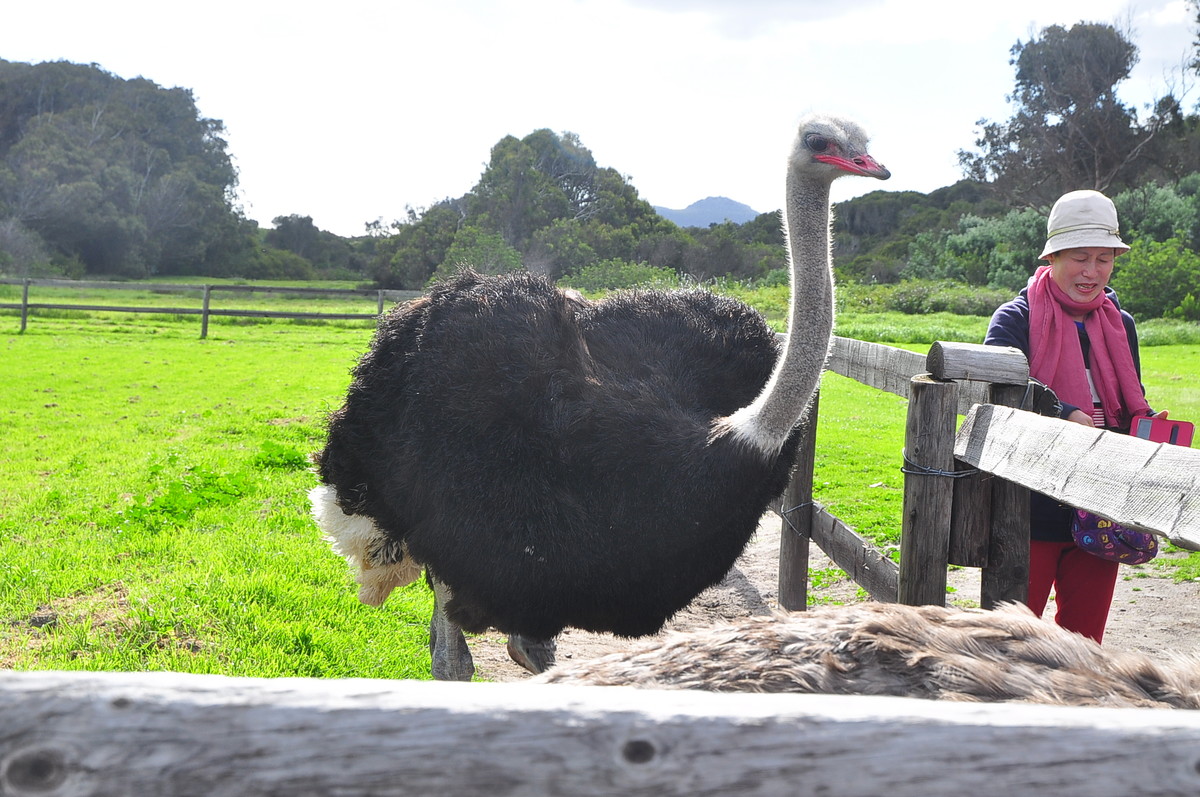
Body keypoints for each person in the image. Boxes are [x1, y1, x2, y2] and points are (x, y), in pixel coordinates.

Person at [983, 189, 1165, 644]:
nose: (1092, 271)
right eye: (1080, 257)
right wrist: (1062, 413)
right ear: (1053, 257)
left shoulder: (1120, 324)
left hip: (1102, 505)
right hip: (1027, 507)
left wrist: (1144, 429)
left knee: (1084, 647)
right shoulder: (1014, 320)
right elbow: (993, 399)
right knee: (1007, 644)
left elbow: (1128, 399)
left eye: (1104, 259)